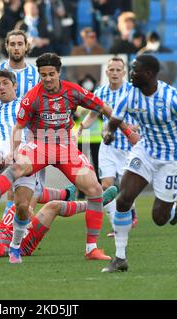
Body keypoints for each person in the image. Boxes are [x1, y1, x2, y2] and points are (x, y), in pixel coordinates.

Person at [0, 52, 140, 263]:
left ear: (59, 72)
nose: (48, 79)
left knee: (95, 190)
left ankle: (91, 248)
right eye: (43, 75)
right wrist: (14, 151)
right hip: (39, 144)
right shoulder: (32, 96)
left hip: (64, 147)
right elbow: (18, 127)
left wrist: (127, 132)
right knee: (19, 186)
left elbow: (104, 108)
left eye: (51, 74)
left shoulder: (73, 91)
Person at [101, 54, 177, 273]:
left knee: (159, 218)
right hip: (145, 150)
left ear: (149, 74)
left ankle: (171, 209)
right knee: (123, 200)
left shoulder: (171, 97)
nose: (131, 74)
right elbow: (113, 121)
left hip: (171, 158)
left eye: (135, 70)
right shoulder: (130, 93)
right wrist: (108, 133)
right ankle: (120, 258)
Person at [0, 69, 75, 228]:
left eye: (5, 83)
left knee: (27, 197)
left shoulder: (27, 103)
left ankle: (65, 194)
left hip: (25, 147)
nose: (1, 87)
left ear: (15, 85)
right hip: (2, 144)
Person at [0, 185, 118, 259]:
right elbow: (7, 251)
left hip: (5, 230)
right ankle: (97, 203)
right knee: (52, 206)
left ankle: (66, 194)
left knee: (21, 192)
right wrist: (24, 223)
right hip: (21, 243)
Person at [0, 29, 41, 223]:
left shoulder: (34, 74)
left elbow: (40, 104)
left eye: (20, 44)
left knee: (28, 191)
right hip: (1, 132)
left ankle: (3, 223)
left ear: (26, 46)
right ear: (6, 46)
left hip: (29, 137)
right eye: (12, 44)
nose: (16, 48)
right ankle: (2, 224)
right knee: (4, 175)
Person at [76, 57, 138, 236]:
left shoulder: (132, 91)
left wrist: (136, 128)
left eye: (118, 70)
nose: (115, 73)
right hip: (108, 146)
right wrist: (80, 128)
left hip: (128, 147)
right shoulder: (101, 92)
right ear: (107, 72)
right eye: (112, 70)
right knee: (106, 185)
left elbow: (143, 115)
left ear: (124, 73)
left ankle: (131, 211)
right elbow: (93, 115)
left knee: (127, 186)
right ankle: (116, 225)